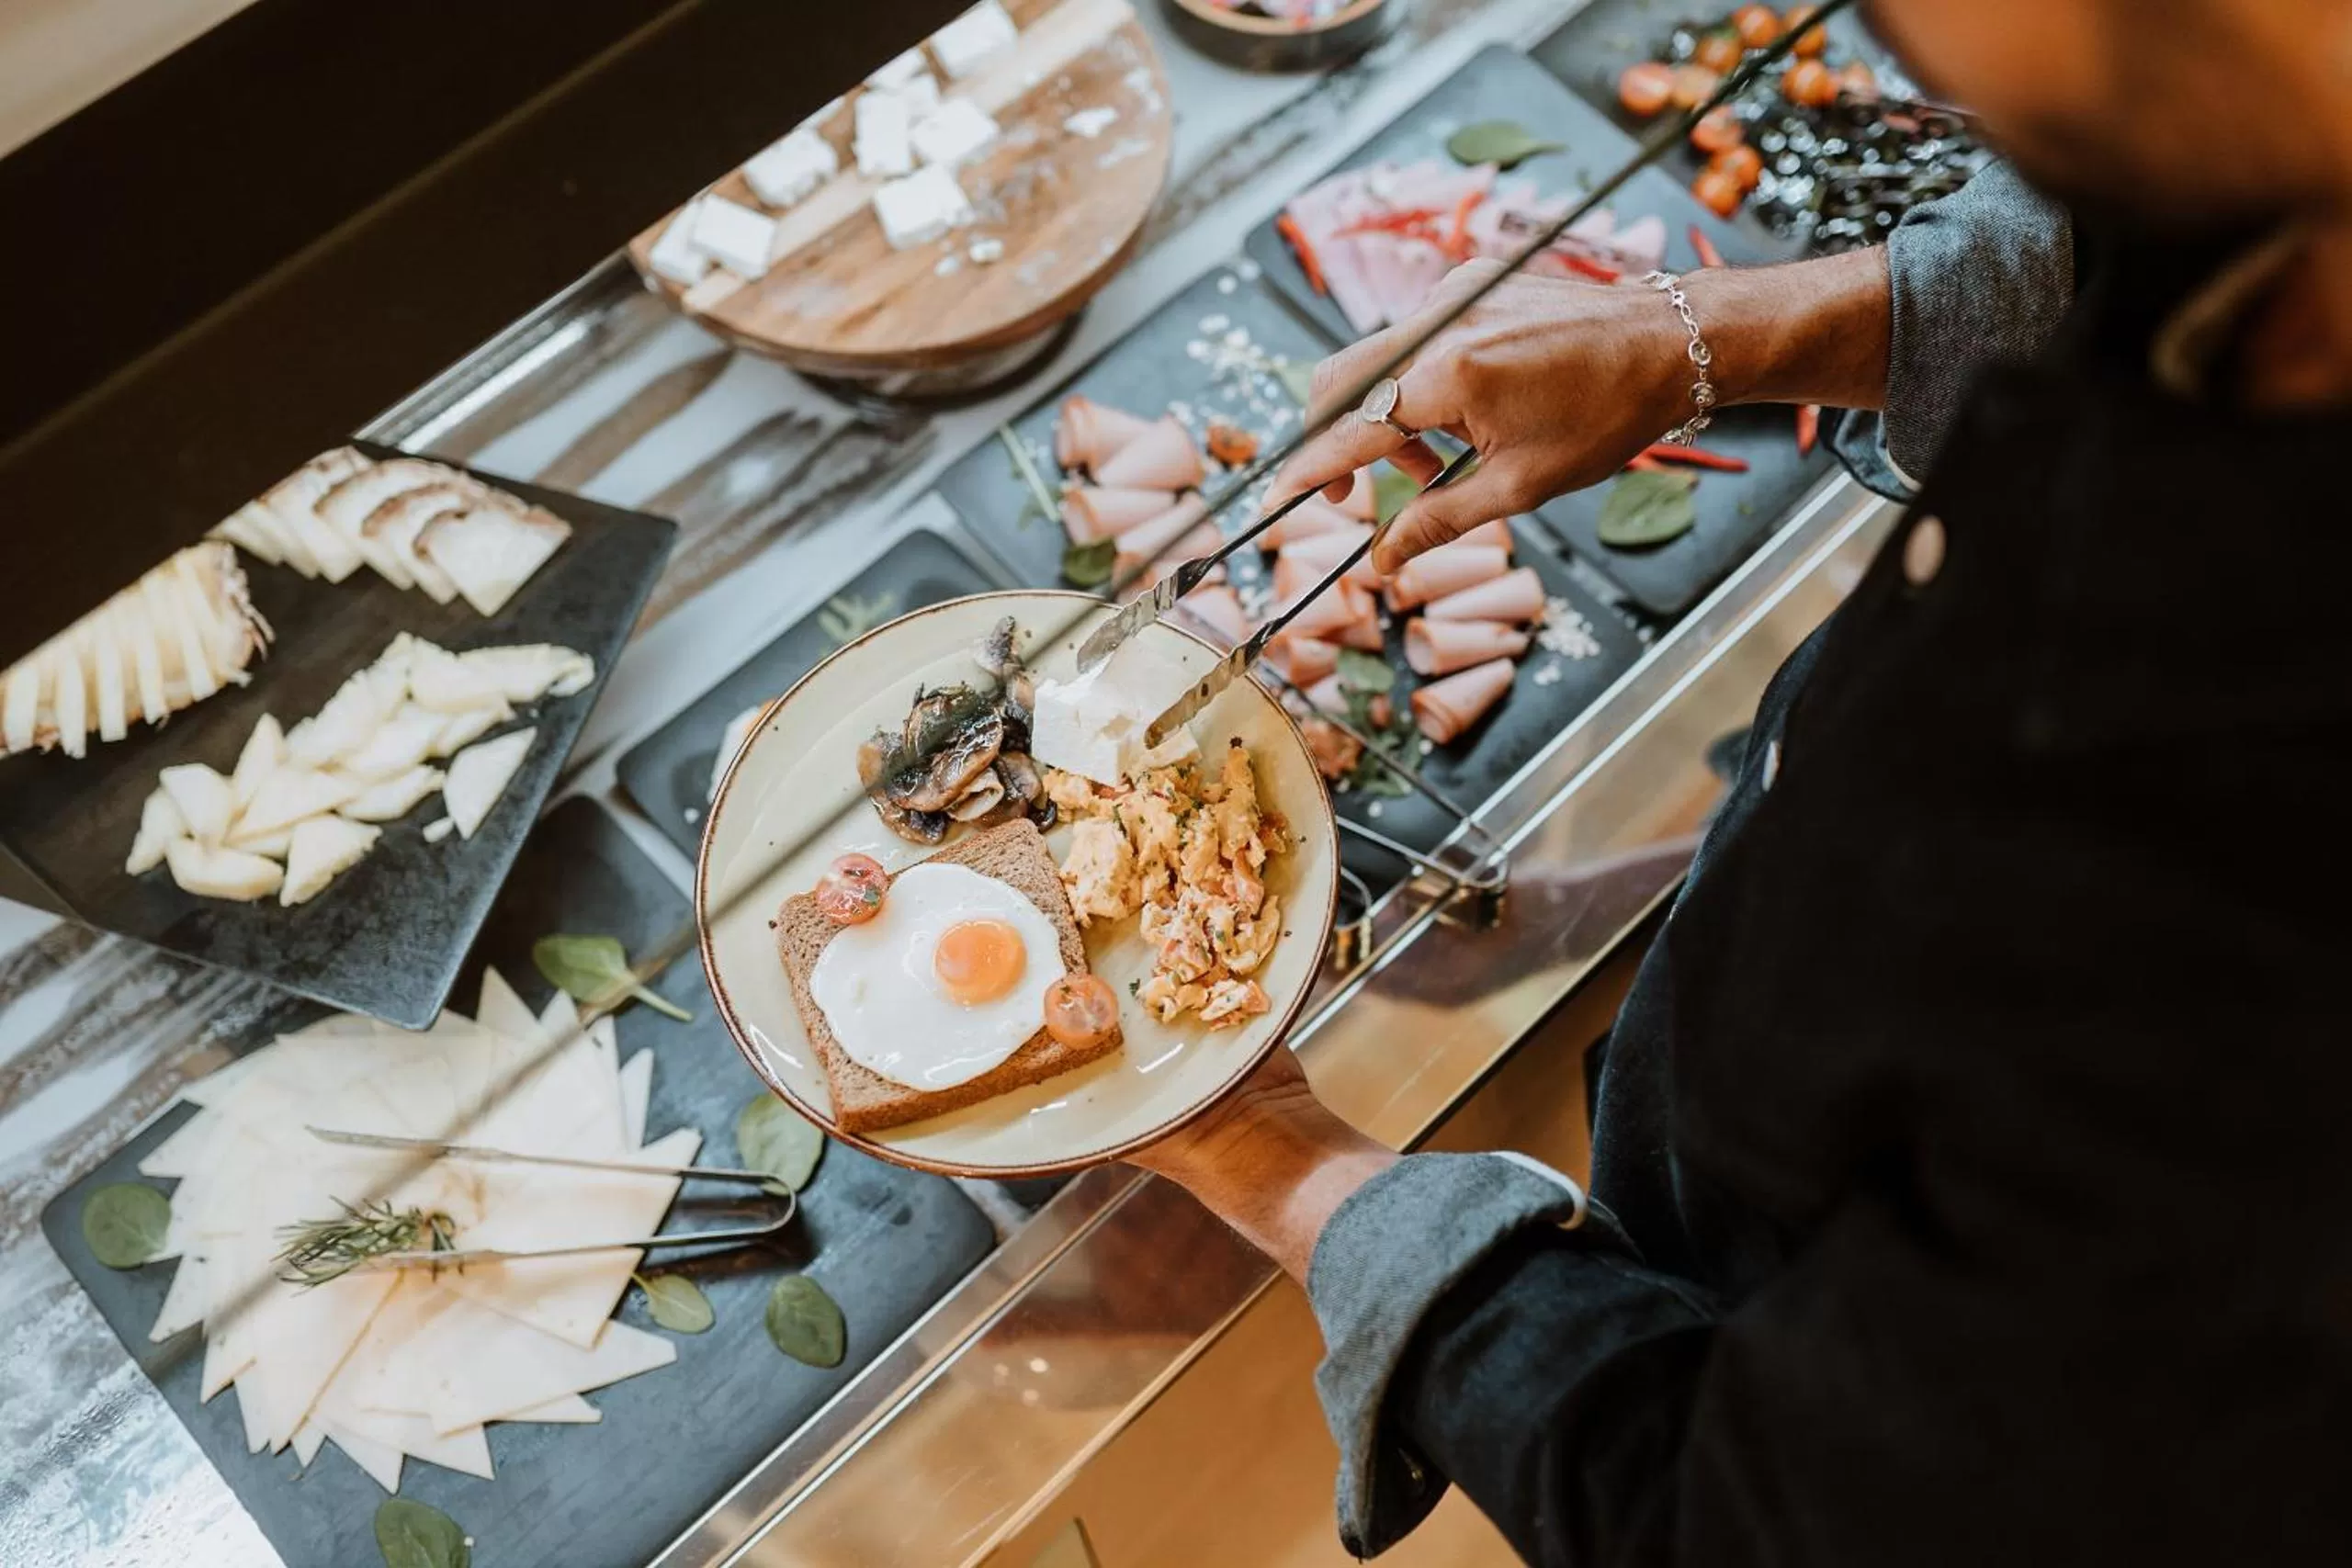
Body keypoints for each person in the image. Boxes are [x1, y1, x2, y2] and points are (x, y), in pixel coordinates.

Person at [1130, 0, 2352, 1561]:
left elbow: (1733, 1526)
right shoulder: (2267, 182)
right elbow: (2125, 235)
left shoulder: (2245, 1000)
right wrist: (1702, 343)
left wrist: (1281, 1162)